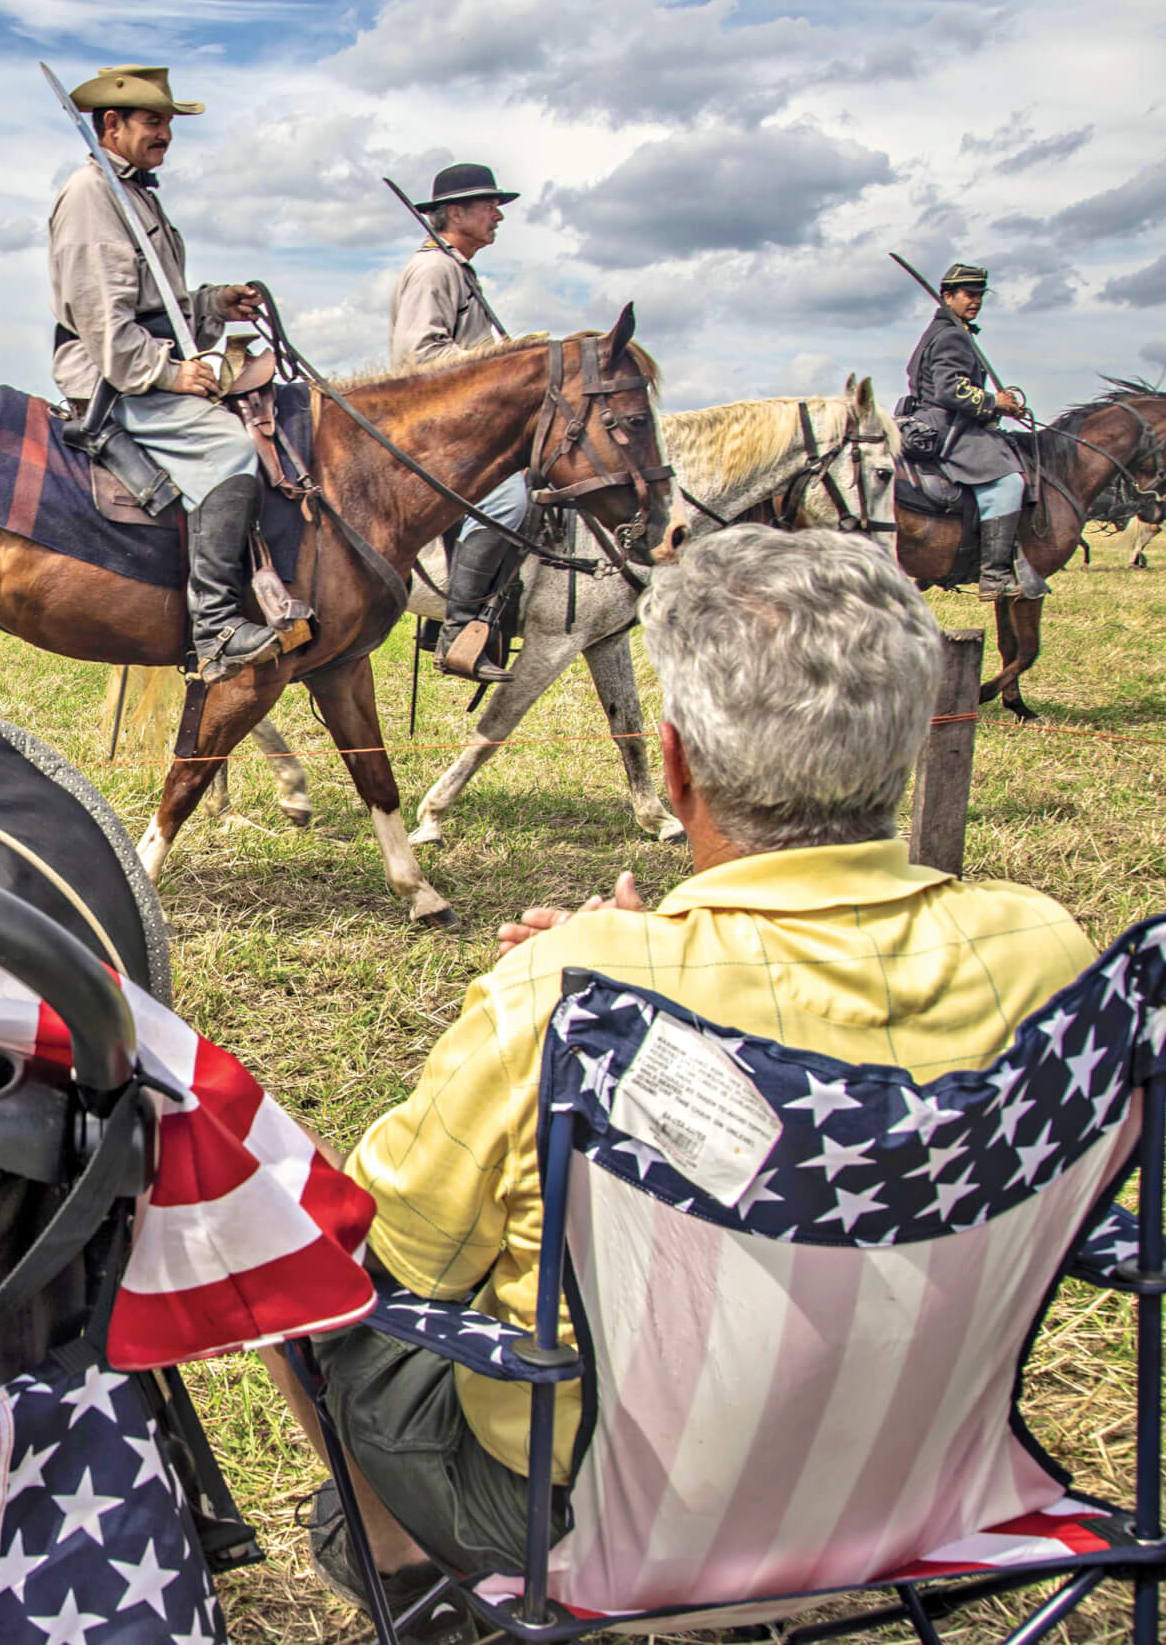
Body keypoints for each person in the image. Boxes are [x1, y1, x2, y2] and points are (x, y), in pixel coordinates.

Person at [269, 528, 1094, 1633]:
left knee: (280, 1237)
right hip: (928, 1488)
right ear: (904, 742)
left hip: (597, 1525)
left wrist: (604, 968)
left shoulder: (569, 990)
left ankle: (393, 1545)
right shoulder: (1043, 948)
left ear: (674, 761)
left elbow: (372, 1256)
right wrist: (646, 955)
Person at [49, 64, 275, 682]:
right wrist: (169, 375)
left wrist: (213, 306)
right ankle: (217, 626)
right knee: (230, 448)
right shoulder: (93, 195)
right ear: (112, 124)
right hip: (111, 379)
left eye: (170, 123)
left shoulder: (138, 193)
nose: (166, 135)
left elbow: (160, 309)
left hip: (141, 362)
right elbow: (105, 323)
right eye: (154, 121)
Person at [392, 162, 525, 681]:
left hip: (457, 422)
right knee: (506, 498)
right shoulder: (434, 270)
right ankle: (457, 628)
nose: (498, 216)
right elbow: (418, 356)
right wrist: (497, 369)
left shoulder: (456, 268)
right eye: (489, 206)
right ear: (455, 213)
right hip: (434, 426)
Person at [901, 263, 1028, 600]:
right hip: (947, 428)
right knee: (1007, 481)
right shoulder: (953, 335)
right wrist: (995, 403)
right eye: (968, 295)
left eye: (980, 296)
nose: (976, 302)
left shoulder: (944, 330)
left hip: (935, 420)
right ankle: (995, 574)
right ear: (947, 296)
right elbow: (950, 389)